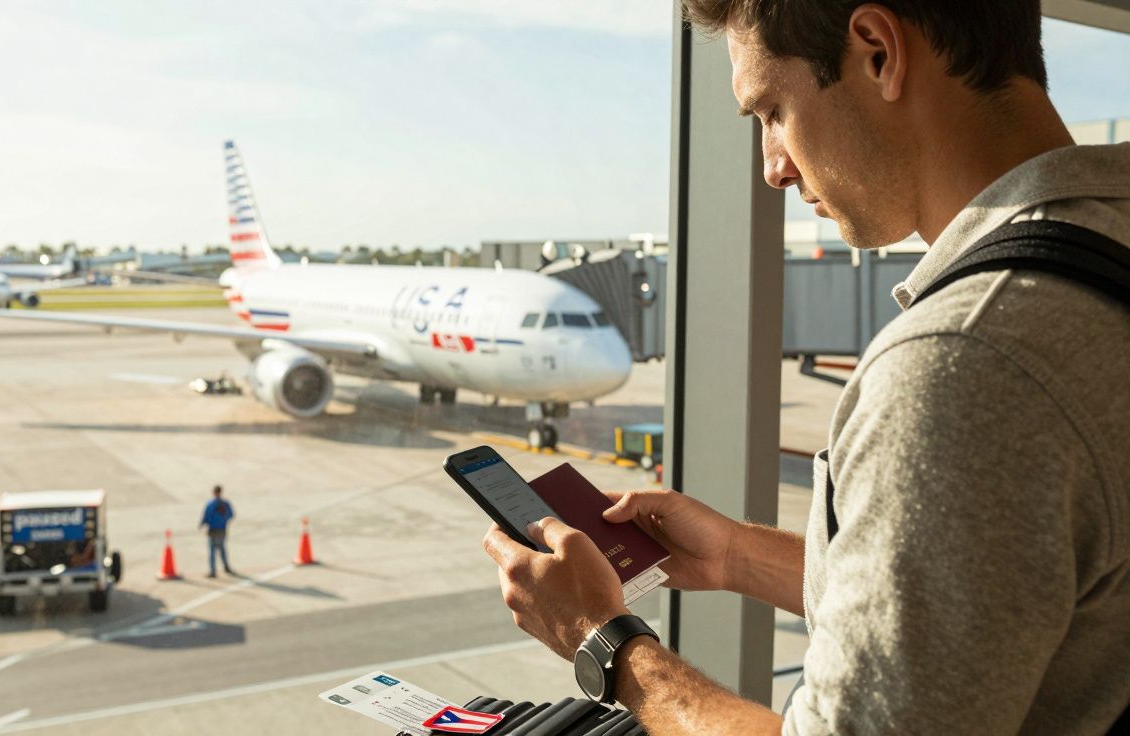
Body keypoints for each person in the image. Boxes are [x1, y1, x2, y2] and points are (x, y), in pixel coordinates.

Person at [484, 2, 1129, 734]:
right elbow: (1017, 592)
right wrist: (737, 555)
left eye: (772, 110)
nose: (772, 168)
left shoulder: (965, 364)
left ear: (878, 51)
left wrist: (605, 639)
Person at [199, 485, 235, 578]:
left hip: (213, 530)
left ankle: (213, 571)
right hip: (222, 529)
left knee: (212, 551)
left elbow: (206, 517)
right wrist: (223, 521)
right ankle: (226, 566)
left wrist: (203, 524)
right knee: (222, 549)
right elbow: (231, 515)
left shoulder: (210, 504)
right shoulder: (226, 504)